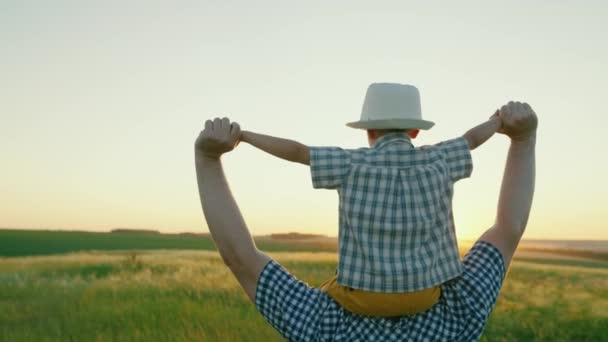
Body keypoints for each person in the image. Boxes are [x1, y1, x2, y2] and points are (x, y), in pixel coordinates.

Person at [194, 100, 537, 341]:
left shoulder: (325, 327)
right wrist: (520, 137)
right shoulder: (459, 314)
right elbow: (508, 229)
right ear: (416, 132)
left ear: (368, 131)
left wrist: (214, 154)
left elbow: (241, 257)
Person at [238, 83, 503, 317]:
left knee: (325, 291)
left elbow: (298, 152)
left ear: (369, 131)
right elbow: (471, 139)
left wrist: (245, 136)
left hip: (364, 300)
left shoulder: (351, 163)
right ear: (415, 131)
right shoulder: (439, 158)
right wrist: (498, 121)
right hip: (425, 295)